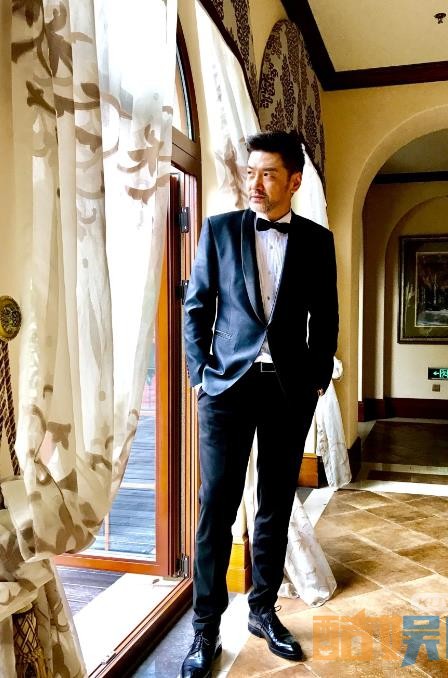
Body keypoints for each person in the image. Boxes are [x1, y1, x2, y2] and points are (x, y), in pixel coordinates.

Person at [180, 130, 339, 677]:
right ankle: (204, 630)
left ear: (294, 181)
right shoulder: (219, 230)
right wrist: (199, 376)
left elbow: (327, 319)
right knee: (216, 510)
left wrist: (316, 380)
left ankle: (263, 611)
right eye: (251, 173)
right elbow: (196, 308)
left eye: (268, 174)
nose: (255, 184)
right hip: (226, 389)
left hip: (288, 391)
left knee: (274, 506)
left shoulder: (317, 242)